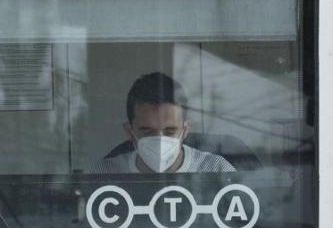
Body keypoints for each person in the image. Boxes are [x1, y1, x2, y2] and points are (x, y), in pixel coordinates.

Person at [92, 72, 234, 174]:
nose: (160, 141)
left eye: (170, 131)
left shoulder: (217, 171)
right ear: (130, 132)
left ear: (185, 130)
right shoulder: (104, 174)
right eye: (147, 132)